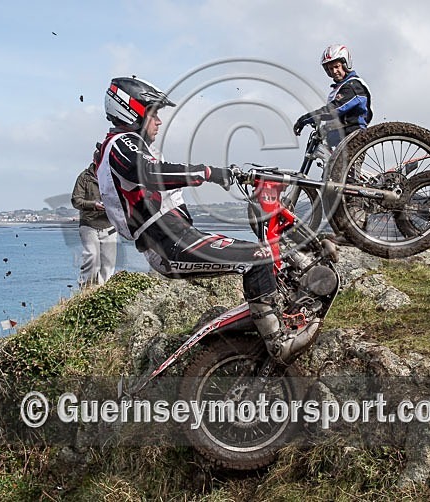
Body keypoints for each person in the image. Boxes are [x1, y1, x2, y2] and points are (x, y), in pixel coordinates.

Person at [95, 76, 305, 363]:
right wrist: (207, 173)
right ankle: (278, 342)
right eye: (153, 112)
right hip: (168, 244)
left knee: (265, 253)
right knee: (257, 256)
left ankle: (281, 313)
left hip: (177, 238)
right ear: (132, 109)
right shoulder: (120, 143)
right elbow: (147, 172)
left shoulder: (126, 145)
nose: (158, 120)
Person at [293, 44, 373, 147]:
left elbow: (334, 110)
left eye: (336, 67)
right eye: (330, 69)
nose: (334, 72)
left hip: (354, 136)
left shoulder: (353, 86)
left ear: (345, 65)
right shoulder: (339, 88)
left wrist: (305, 119)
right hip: (341, 136)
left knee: (340, 163)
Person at [71, 157, 118, 287]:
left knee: (108, 264)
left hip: (109, 225)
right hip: (89, 224)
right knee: (92, 257)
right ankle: (87, 289)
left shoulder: (113, 176)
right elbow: (76, 200)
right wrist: (93, 204)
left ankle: (103, 292)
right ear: (95, 160)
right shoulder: (84, 177)